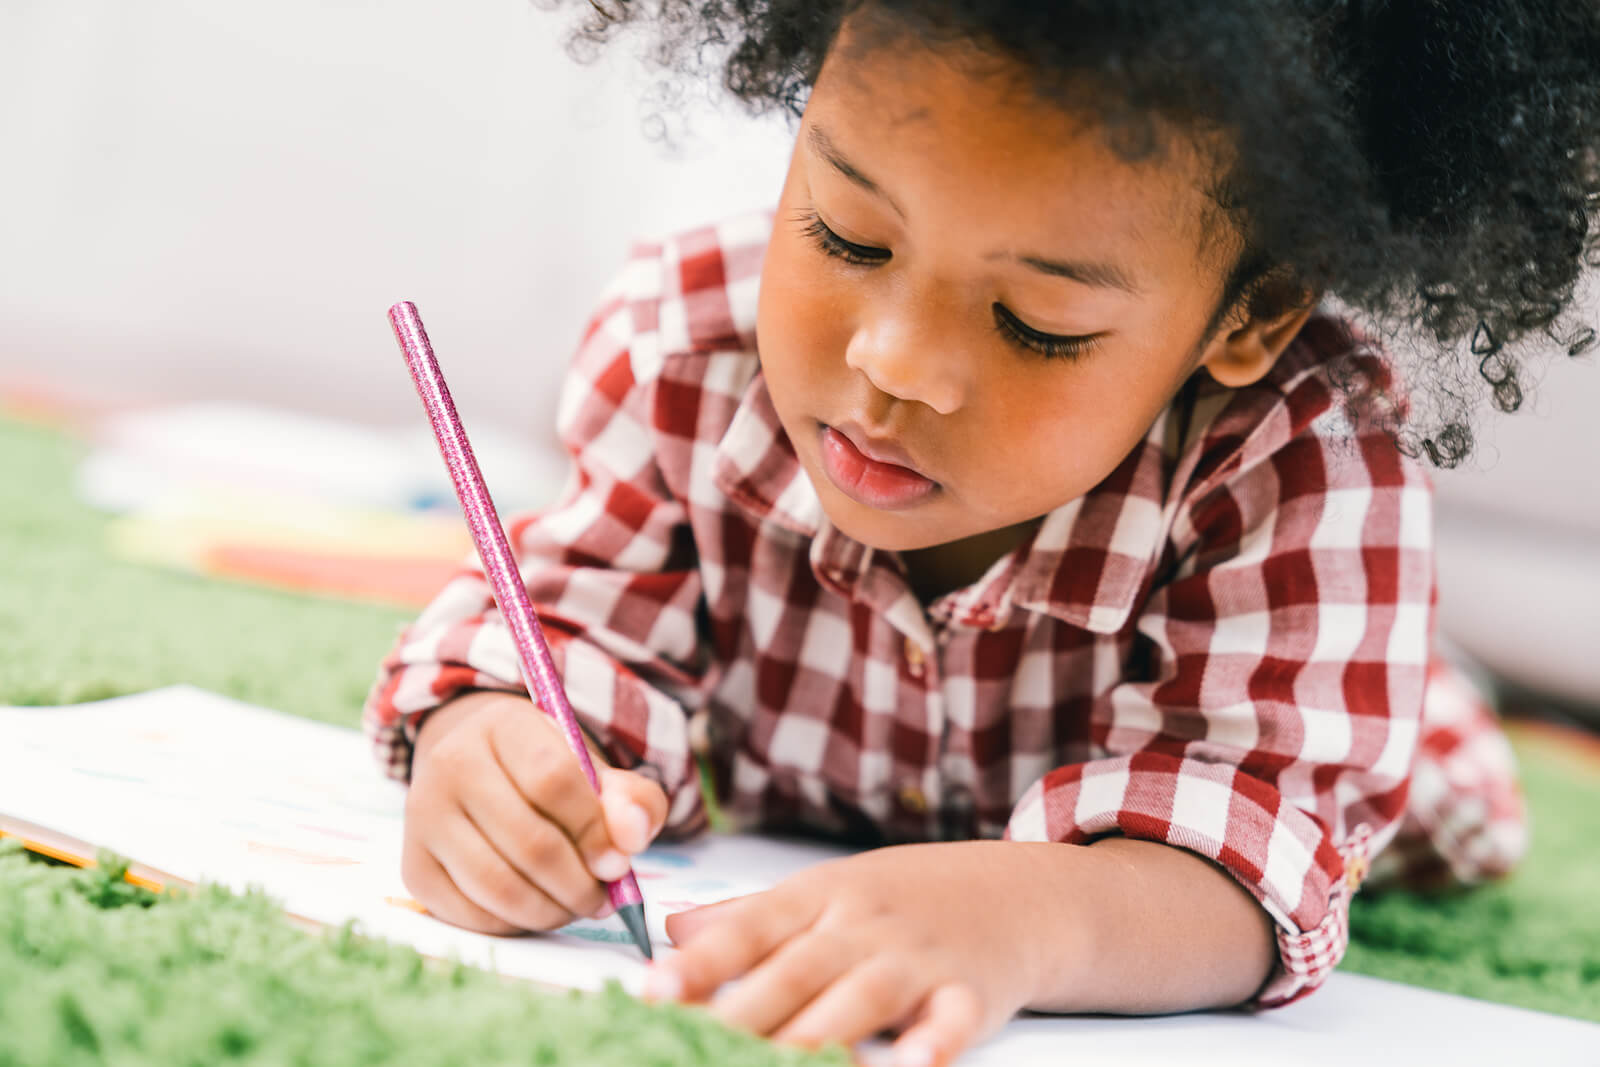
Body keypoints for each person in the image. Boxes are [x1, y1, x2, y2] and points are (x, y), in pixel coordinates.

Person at [364, 2, 1598, 1062]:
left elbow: (1261, 840)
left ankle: (1444, 677)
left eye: (1035, 320)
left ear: (1249, 315)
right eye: (847, 235)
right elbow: (569, 620)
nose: (890, 363)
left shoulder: (1303, 458)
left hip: (1334, 712)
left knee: (1428, 773)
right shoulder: (682, 341)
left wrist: (1026, 914)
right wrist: (497, 744)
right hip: (862, 775)